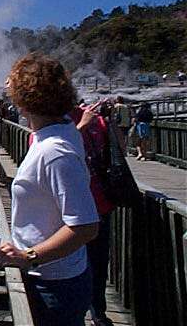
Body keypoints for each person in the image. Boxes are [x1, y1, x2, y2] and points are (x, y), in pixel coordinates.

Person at [0, 53, 99, 326]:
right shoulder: (61, 129)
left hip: (54, 282)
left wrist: (28, 256)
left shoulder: (54, 152)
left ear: (24, 103)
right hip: (52, 274)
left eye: (12, 89)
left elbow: (85, 226)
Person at [71, 101, 117, 326]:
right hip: (97, 204)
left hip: (79, 207)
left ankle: (92, 313)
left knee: (83, 264)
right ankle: (96, 313)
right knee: (96, 264)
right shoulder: (94, 120)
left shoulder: (53, 123)